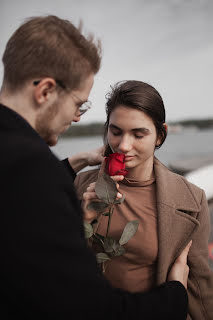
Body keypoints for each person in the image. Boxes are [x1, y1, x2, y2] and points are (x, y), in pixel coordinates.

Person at [0, 15, 189, 320]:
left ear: (160, 135)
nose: (77, 118)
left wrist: (74, 162)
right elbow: (90, 310)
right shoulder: (35, 170)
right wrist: (176, 294)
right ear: (45, 91)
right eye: (79, 104)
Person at [74, 80, 213, 320]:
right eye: (116, 131)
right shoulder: (80, 185)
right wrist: (82, 218)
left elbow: (199, 285)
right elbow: (58, 267)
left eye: (139, 134)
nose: (124, 145)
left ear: (160, 135)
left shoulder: (193, 199)